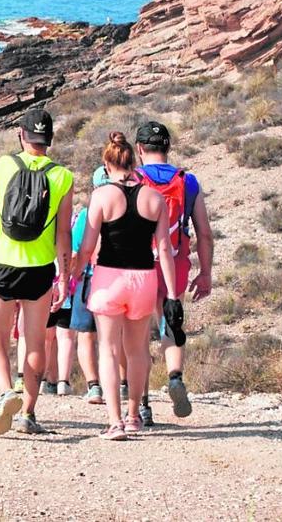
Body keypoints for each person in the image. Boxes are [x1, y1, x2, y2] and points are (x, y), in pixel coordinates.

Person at [0, 109, 73, 435]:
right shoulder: (63, 177)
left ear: (21, 135)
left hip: (3, 264)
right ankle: (27, 412)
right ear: (49, 139)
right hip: (40, 268)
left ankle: (5, 391)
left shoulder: (3, 165)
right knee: (35, 341)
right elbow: (63, 234)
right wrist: (64, 277)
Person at [72, 132, 183, 440]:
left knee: (107, 350)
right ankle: (135, 415)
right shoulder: (154, 197)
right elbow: (164, 250)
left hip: (109, 278)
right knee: (137, 351)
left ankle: (115, 421)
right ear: (134, 162)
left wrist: (72, 276)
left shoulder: (102, 196)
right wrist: (172, 295)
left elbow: (87, 247)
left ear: (107, 165)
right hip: (144, 280)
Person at [135, 121, 213, 421]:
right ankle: (175, 377)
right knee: (171, 321)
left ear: (140, 149)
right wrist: (205, 273)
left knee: (138, 333)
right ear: (168, 148)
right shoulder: (188, 181)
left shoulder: (133, 179)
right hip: (177, 261)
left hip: (139, 261)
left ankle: (142, 405)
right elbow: (204, 233)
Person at [58, 194, 103, 403]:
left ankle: (94, 386)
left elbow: (76, 251)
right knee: (113, 339)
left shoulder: (87, 214)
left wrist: (69, 279)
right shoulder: (129, 205)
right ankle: (123, 385)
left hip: (90, 280)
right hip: (122, 279)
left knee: (85, 335)